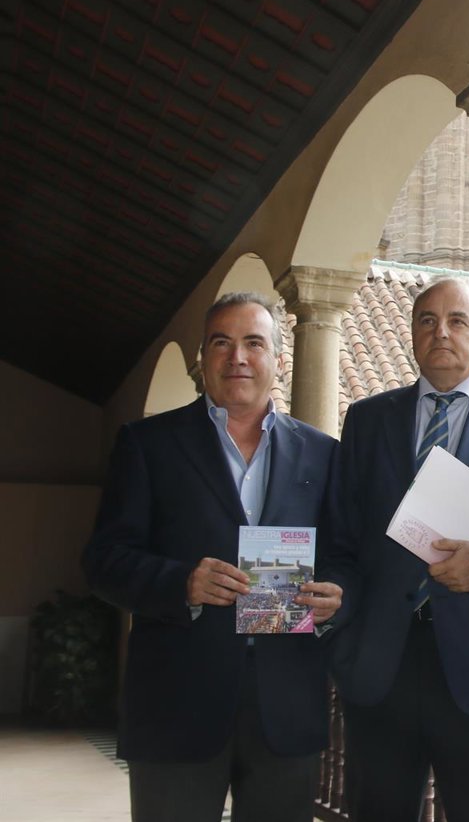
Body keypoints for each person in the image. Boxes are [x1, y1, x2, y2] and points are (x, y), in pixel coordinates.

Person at [82, 292, 341, 822]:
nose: (237, 357)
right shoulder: (147, 444)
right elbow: (104, 559)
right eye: (221, 343)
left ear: (278, 361)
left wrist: (340, 594)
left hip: (285, 705)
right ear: (203, 359)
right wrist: (181, 583)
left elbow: (345, 557)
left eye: (253, 343)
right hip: (176, 702)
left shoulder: (324, 453)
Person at [321, 277, 469, 822]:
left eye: (457, 320)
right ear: (411, 333)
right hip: (381, 663)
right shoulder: (367, 420)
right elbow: (341, 539)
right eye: (427, 320)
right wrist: (337, 593)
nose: (441, 332)